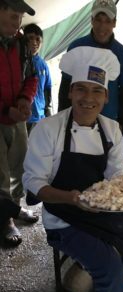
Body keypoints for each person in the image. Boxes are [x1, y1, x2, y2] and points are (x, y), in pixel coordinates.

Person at [23, 46, 123, 292]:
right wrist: (72, 198)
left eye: (97, 90)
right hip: (63, 217)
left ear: (106, 97)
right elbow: (34, 183)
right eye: (81, 89)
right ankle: (108, 267)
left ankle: (102, 258)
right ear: (70, 92)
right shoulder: (47, 129)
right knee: (110, 270)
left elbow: (115, 177)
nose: (89, 98)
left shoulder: (111, 129)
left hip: (101, 211)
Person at [58, 0, 123, 134]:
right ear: (91, 20)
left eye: (107, 21)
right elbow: (65, 87)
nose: (102, 26)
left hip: (108, 121)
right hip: (77, 120)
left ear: (114, 23)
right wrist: (62, 118)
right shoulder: (76, 47)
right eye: (98, 20)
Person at [0, 0, 39, 246]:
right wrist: (6, 110)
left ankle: (15, 207)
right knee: (0, 173)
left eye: (18, 19)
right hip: (3, 117)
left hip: (17, 119)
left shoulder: (22, 44)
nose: (15, 24)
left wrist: (25, 100)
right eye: (10, 17)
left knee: (20, 167)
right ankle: (5, 220)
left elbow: (32, 77)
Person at [23, 23, 52, 134]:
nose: (34, 42)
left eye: (38, 39)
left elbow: (47, 88)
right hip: (22, 116)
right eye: (30, 38)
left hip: (40, 117)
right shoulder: (19, 61)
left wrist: (47, 112)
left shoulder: (43, 65)